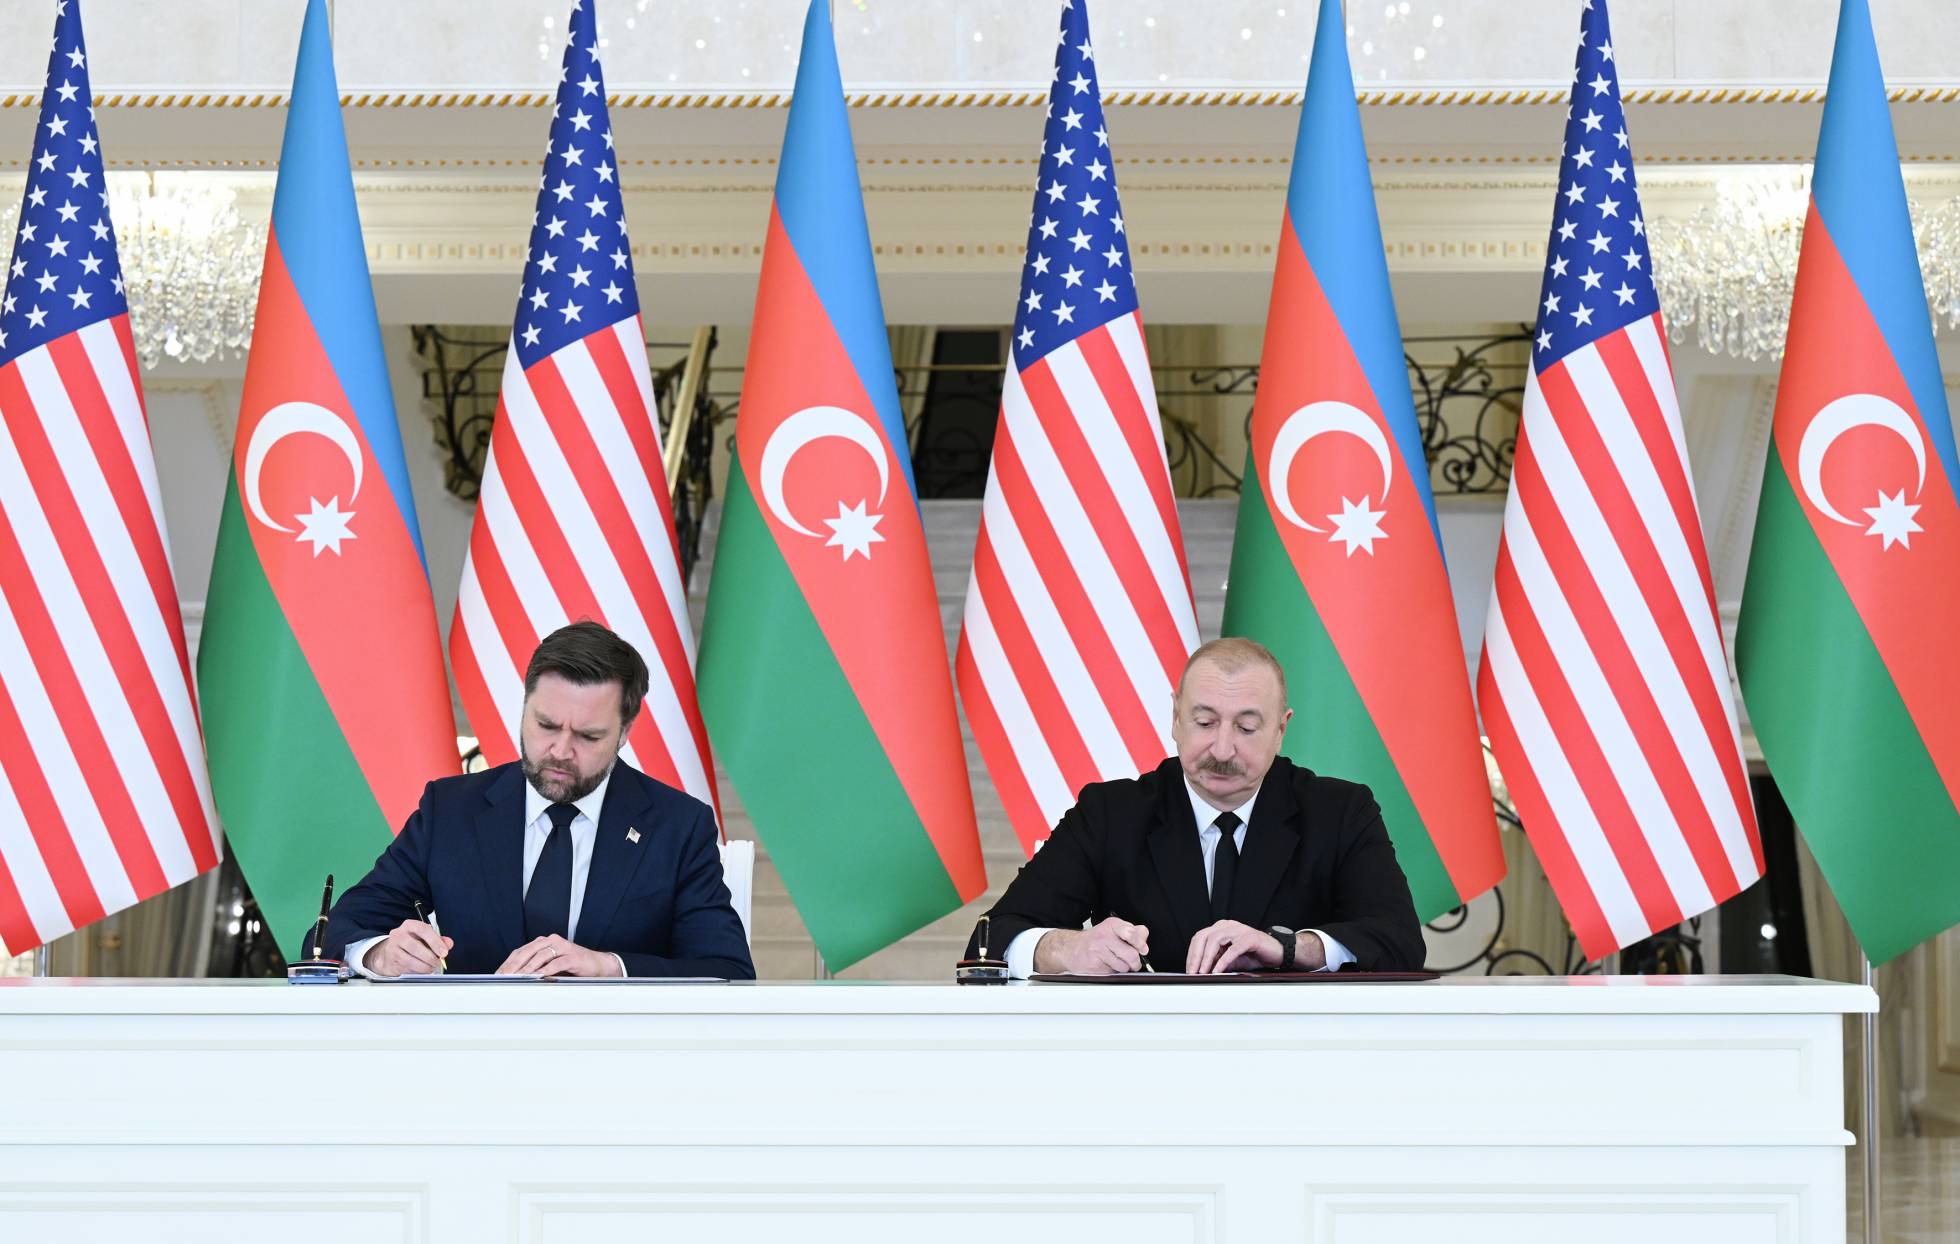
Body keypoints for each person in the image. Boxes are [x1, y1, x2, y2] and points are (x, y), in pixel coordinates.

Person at [968, 637, 1425, 976]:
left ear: (1280, 730)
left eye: (1246, 728)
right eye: (1205, 722)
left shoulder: (1340, 811)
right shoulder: (1109, 813)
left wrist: (1289, 948)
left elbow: (1400, 942)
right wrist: (1068, 948)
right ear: (1176, 718)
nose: (1222, 749)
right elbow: (990, 941)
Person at [325, 621, 754, 980]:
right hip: (475, 1049)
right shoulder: (451, 810)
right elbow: (333, 932)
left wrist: (609, 967)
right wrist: (380, 954)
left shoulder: (678, 825)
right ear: (524, 707)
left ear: (624, 732)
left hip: (616, 1052)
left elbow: (728, 969)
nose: (561, 751)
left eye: (588, 736)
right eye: (546, 725)